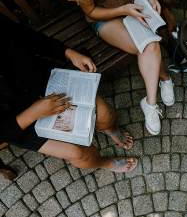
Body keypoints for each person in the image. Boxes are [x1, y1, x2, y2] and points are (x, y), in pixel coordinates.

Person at [0, 14, 137, 172]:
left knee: (105, 114)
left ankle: (109, 128)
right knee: (78, 153)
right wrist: (34, 112)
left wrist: (68, 53)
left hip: (41, 80)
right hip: (19, 123)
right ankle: (103, 163)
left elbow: (29, 37)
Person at [61, 0, 175, 135]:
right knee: (146, 44)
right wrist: (123, 10)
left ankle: (159, 86)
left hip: (134, 0)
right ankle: (153, 99)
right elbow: (91, 11)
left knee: (150, 44)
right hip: (107, 16)